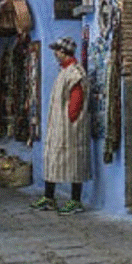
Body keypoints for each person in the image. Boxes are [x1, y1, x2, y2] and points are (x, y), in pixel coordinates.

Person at [31, 36, 90, 215]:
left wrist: (70, 119)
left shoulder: (75, 73)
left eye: (57, 50)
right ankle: (49, 197)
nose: (55, 54)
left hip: (68, 127)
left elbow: (76, 99)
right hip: (59, 125)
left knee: (74, 161)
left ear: (64, 52)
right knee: (53, 159)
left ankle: (76, 200)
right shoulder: (64, 71)